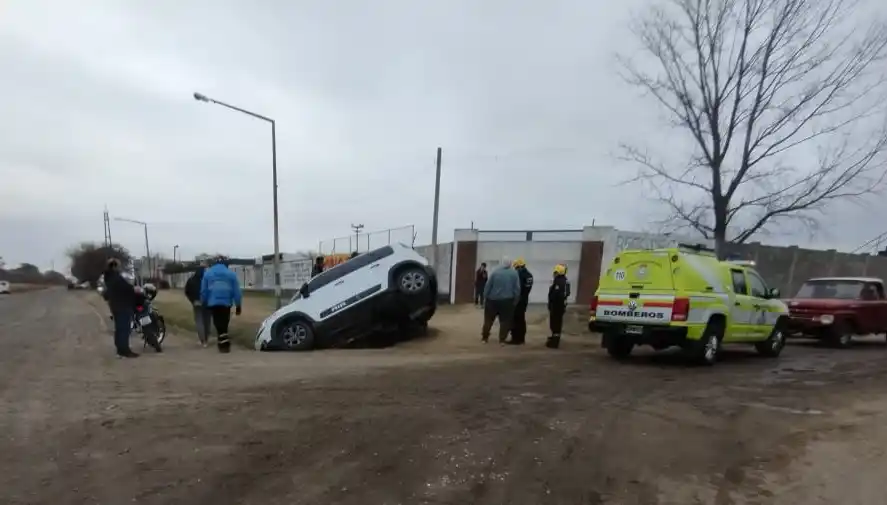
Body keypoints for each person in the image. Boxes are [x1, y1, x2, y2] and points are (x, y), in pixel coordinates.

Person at [200, 256, 243, 353]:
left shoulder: (208, 274)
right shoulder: (231, 274)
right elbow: (237, 291)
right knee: (224, 322)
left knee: (217, 322)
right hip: (226, 302)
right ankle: (224, 343)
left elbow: (204, 291)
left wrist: (204, 301)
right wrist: (238, 305)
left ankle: (223, 342)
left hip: (213, 302)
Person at [102, 258, 141, 358]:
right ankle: (125, 350)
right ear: (114, 266)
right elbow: (126, 287)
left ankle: (120, 350)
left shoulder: (108, 278)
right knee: (124, 328)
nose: (120, 268)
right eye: (118, 266)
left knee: (119, 328)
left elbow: (107, 293)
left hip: (115, 305)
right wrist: (133, 289)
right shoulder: (116, 278)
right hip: (122, 305)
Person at [481, 257, 521, 344]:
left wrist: (485, 297)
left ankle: (485, 337)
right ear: (510, 264)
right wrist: (515, 300)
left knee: (488, 320)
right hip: (507, 301)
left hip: (492, 300)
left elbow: (488, 286)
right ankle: (502, 339)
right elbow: (517, 289)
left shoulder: (495, 272)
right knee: (505, 321)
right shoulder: (514, 274)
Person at [184, 261, 212, 347]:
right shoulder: (209, 279)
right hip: (207, 302)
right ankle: (206, 340)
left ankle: (202, 340)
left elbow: (187, 291)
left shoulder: (191, 279)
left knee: (199, 321)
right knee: (207, 321)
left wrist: (193, 300)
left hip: (196, 303)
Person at [508, 258, 534, 345]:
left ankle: (515, 338)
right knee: (522, 319)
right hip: (524, 300)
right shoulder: (529, 275)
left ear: (518, 266)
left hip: (517, 300)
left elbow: (516, 288)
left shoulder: (518, 274)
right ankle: (522, 338)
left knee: (515, 319)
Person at [546, 263, 571, 349]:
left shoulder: (558, 282)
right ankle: (554, 337)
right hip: (560, 306)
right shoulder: (565, 281)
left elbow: (556, 295)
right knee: (556, 323)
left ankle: (555, 341)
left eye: (555, 272)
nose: (554, 274)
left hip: (557, 307)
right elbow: (567, 293)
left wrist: (552, 304)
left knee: (555, 323)